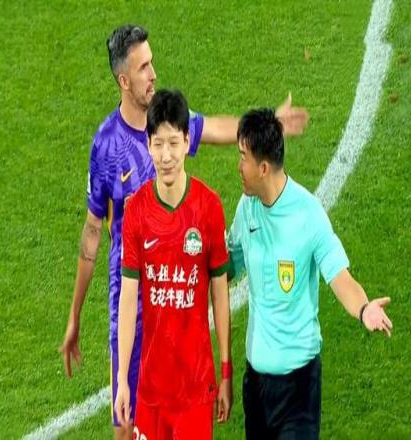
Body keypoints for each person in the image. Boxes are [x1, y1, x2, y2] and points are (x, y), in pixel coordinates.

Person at [58, 24, 308, 440]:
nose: (153, 73)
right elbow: (92, 233)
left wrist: (267, 125)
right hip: (134, 304)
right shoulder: (106, 146)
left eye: (152, 62)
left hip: (175, 303)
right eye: (143, 67)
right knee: (126, 427)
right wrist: (75, 316)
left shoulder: (169, 123)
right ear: (123, 80)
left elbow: (216, 129)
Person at [227, 108, 393, 439]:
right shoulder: (247, 208)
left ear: (263, 168)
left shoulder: (308, 214)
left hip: (298, 388)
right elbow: (228, 267)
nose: (238, 166)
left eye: (243, 157)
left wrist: (364, 309)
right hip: (256, 385)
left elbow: (340, 278)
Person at [115, 89, 232, 439]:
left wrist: (226, 371)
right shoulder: (136, 212)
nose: (166, 156)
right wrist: (122, 379)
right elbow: (127, 299)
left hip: (195, 390)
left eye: (174, 143)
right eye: (158, 144)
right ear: (148, 145)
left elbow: (220, 294)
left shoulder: (208, 207)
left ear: (187, 142)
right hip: (151, 391)